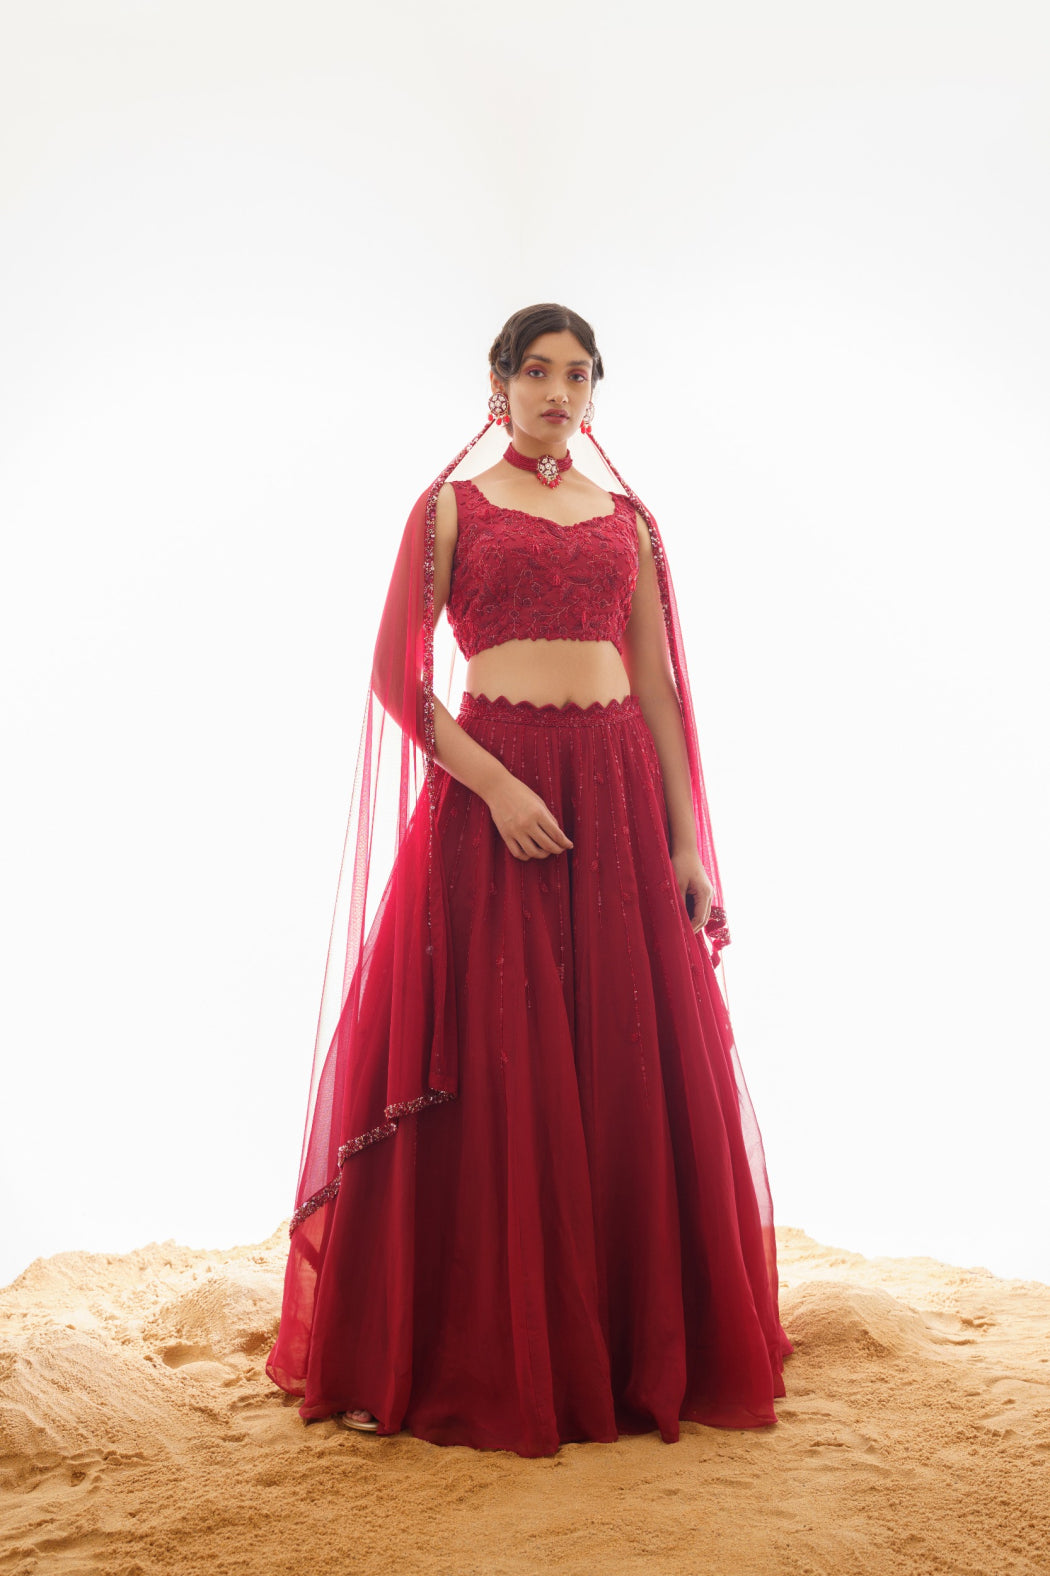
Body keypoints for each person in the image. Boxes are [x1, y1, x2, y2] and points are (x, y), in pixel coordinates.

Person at [266, 302, 794, 1457]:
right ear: (498, 383)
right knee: (495, 1061)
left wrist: (688, 844)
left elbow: (657, 690)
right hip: (496, 797)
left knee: (623, 1062)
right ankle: (478, 1345)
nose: (560, 392)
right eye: (539, 371)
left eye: (580, 375)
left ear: (595, 392)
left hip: (615, 799)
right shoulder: (450, 509)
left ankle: (624, 1342)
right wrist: (498, 787)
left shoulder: (629, 521)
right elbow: (398, 680)